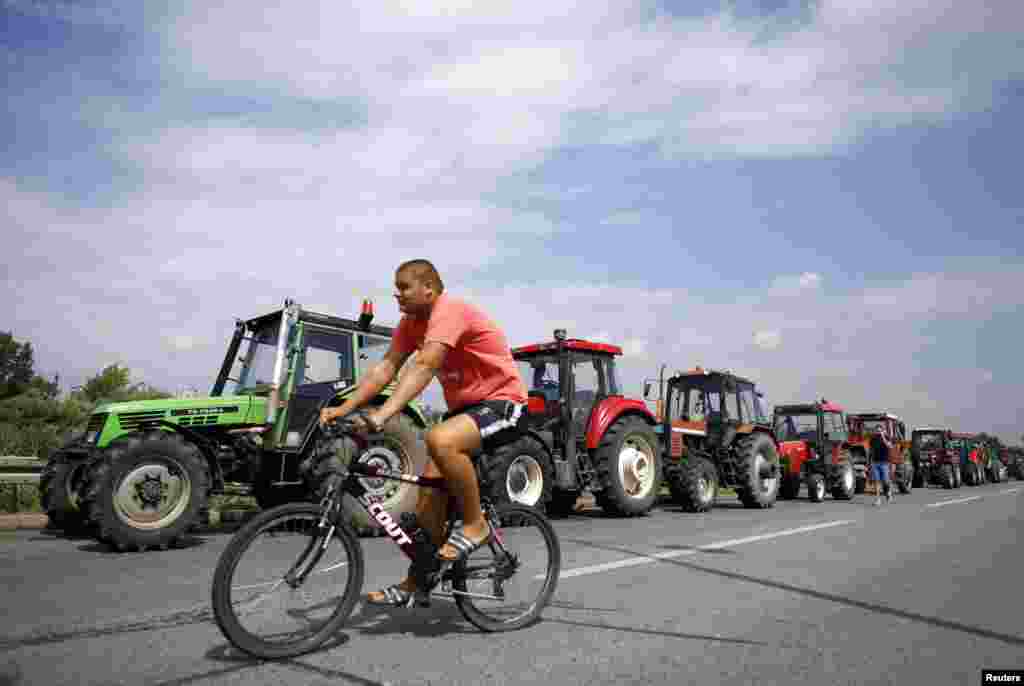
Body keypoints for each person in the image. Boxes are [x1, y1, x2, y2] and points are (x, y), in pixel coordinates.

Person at [319, 258, 528, 607]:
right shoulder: (409, 325)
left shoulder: (450, 311)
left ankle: (475, 525)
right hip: (465, 411)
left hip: (503, 403)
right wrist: (344, 408)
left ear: (428, 288)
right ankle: (417, 583)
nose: (396, 294)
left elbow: (426, 365)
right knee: (429, 498)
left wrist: (383, 414)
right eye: (396, 287)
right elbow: (385, 368)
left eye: (404, 287)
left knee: (439, 438)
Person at [869, 426, 893, 505]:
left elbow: (889, 446)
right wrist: (870, 462)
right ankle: (878, 499)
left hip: (884, 463)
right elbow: (871, 450)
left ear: (883, 431)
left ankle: (888, 492)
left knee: (885, 481)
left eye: (880, 431)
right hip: (875, 463)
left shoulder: (887, 437)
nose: (878, 432)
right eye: (877, 431)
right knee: (877, 482)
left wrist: (883, 437)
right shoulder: (873, 439)